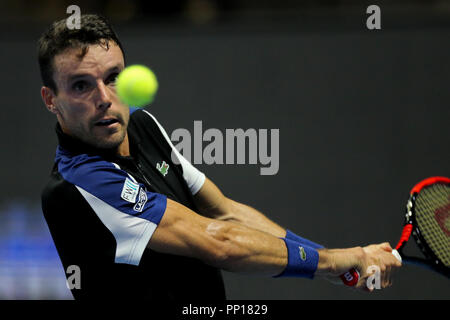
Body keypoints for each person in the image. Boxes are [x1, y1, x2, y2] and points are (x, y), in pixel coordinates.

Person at [38, 14, 401, 300]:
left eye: (113, 77)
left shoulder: (142, 125)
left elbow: (223, 210)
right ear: (51, 99)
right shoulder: (78, 184)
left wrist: (333, 260)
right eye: (81, 85)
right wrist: (334, 261)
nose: (104, 97)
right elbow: (219, 242)